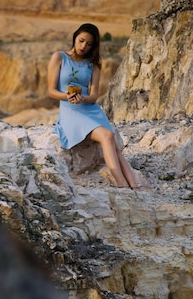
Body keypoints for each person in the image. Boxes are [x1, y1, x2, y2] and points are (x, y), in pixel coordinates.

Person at [48, 23, 139, 189]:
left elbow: (94, 95)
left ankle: (135, 185)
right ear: (75, 37)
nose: (84, 46)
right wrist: (68, 97)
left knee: (114, 146)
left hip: (90, 109)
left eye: (89, 44)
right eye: (81, 40)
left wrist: (83, 98)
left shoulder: (94, 64)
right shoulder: (59, 57)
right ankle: (123, 185)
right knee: (107, 136)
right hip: (70, 110)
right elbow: (51, 91)